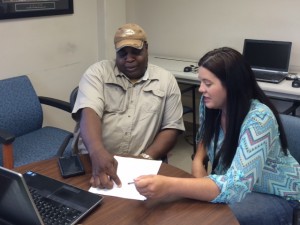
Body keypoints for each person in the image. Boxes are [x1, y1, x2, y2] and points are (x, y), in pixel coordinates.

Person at [134, 47, 300, 225]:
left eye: (208, 83)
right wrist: (198, 160)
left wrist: (169, 186)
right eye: (201, 82)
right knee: (184, 210)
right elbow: (205, 137)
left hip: (274, 194)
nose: (201, 89)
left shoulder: (259, 119)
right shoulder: (210, 105)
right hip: (234, 184)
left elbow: (236, 187)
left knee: (203, 218)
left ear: (232, 85)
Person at [71, 23, 185, 190]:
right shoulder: (97, 73)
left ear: (146, 48)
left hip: (140, 165)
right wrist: (97, 152)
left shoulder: (166, 80)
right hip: (93, 159)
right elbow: (89, 111)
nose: (129, 59)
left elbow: (171, 127)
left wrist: (146, 158)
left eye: (136, 52)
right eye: (122, 53)